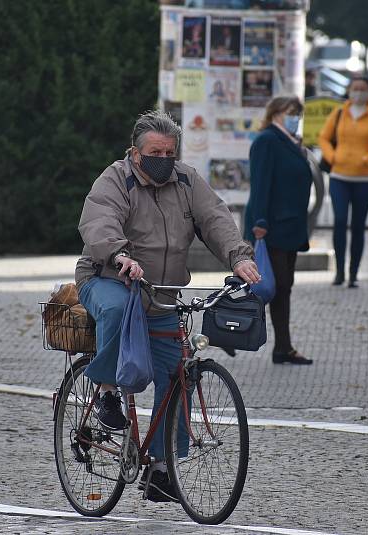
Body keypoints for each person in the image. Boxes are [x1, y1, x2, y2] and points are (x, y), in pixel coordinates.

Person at [76, 110, 260, 501]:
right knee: (115, 309)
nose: (164, 158)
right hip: (107, 277)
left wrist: (239, 257)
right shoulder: (115, 179)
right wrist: (120, 255)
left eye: (170, 152)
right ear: (135, 153)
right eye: (155, 151)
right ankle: (107, 391)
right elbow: (98, 220)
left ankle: (161, 467)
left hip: (162, 291)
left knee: (177, 374)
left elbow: (215, 219)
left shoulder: (187, 180)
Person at [244, 95, 314, 365]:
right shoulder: (267, 141)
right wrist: (260, 221)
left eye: (298, 112)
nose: (295, 116)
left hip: (289, 227)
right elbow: (260, 183)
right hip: (271, 227)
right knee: (273, 287)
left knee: (283, 288)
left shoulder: (291, 142)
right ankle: (227, 330)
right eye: (290, 111)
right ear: (275, 114)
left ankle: (283, 347)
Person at [319, 77, 368, 288]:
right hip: (340, 177)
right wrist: (332, 156)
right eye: (355, 89)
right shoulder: (340, 113)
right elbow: (323, 138)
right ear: (349, 91)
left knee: (358, 226)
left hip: (365, 179)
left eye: (362, 89)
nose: (358, 93)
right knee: (340, 220)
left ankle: (353, 273)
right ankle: (340, 271)